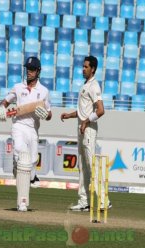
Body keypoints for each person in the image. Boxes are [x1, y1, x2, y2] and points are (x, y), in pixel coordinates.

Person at [0, 56, 52, 212]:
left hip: (33, 129)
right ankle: (22, 203)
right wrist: (1, 108)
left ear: (38, 71)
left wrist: (44, 114)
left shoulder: (44, 91)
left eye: (32, 69)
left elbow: (49, 114)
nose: (29, 72)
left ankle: (18, 169)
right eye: (27, 69)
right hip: (19, 126)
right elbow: (5, 102)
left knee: (32, 162)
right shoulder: (18, 87)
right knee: (22, 155)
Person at [60, 56, 112, 211]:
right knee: (82, 166)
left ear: (93, 69)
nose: (83, 69)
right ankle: (84, 202)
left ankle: (105, 200)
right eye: (82, 66)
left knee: (91, 165)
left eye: (86, 67)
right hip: (82, 128)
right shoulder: (85, 85)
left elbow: (101, 110)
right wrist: (70, 115)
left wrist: (86, 122)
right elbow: (84, 111)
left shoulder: (94, 86)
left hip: (88, 130)